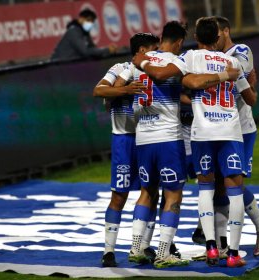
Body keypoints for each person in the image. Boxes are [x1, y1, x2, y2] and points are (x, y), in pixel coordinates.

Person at [132, 17, 257, 268]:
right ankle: (232, 252)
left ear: (197, 38)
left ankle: (211, 247)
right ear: (217, 37)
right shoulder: (232, 62)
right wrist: (240, 80)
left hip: (202, 133)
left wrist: (142, 61)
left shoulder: (190, 58)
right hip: (230, 132)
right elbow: (251, 99)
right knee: (234, 191)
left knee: (206, 189)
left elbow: (168, 76)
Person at [191, 16, 259, 260]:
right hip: (219, 125)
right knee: (219, 184)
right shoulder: (218, 60)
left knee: (233, 183)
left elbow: (242, 81)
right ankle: (221, 242)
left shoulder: (240, 51)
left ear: (225, 31)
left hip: (241, 127)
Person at [93, 33, 159, 267]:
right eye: (154, 48)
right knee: (119, 196)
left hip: (149, 138)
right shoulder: (120, 68)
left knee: (152, 192)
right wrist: (127, 90)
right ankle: (108, 251)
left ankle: (144, 245)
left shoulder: (156, 69)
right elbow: (99, 90)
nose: (157, 52)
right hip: (124, 140)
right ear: (142, 50)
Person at [52, 9, 117, 61]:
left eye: (92, 21)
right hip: (58, 66)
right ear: (81, 19)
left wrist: (108, 50)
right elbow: (85, 51)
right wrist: (107, 50)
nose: (90, 23)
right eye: (88, 20)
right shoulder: (73, 31)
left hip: (69, 66)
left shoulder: (85, 33)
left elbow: (92, 48)